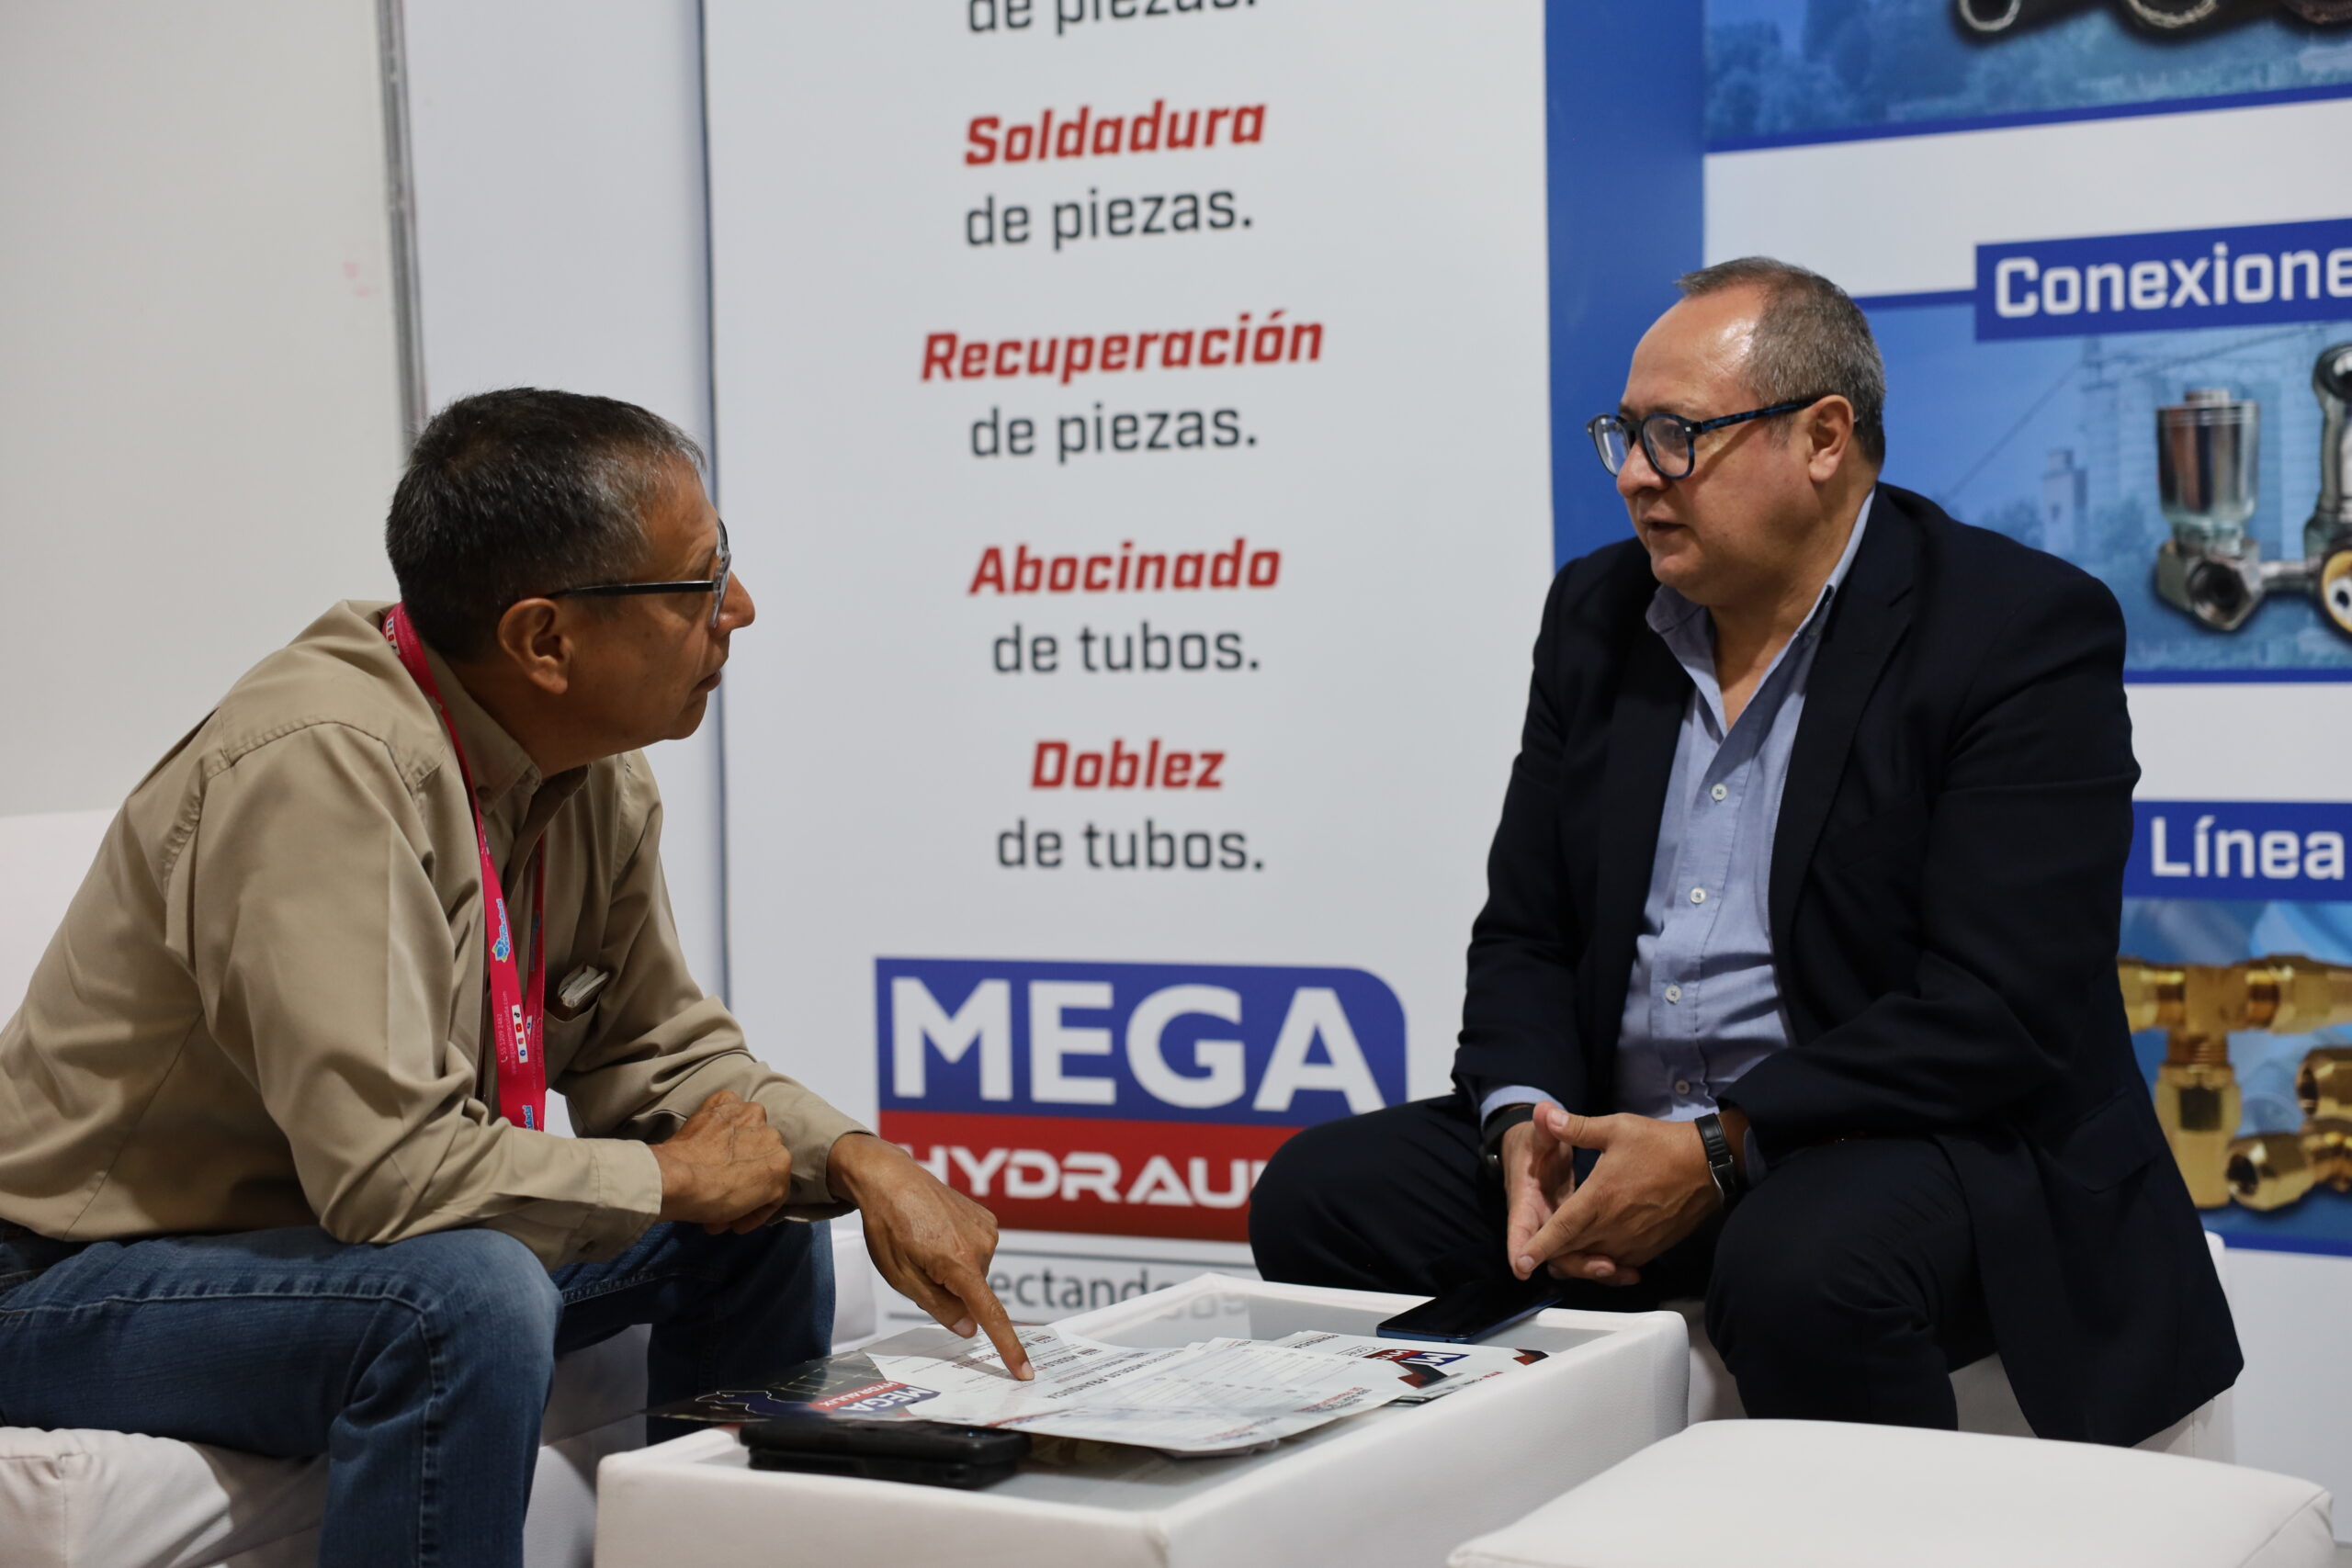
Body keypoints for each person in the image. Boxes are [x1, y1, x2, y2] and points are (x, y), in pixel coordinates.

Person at [0, 389, 1030, 1567]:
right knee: (463, 1297)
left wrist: (854, 1158)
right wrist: (670, 1176)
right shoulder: (319, 768)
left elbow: (660, 1056)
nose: (739, 608)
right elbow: (392, 1177)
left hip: (319, 1255)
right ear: (545, 640)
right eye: (699, 583)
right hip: (66, 1285)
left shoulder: (586, 768)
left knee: (762, 1215)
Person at [1250, 259, 2240, 1444]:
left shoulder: (2014, 629)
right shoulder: (1595, 614)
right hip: (1629, 1130)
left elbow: (1999, 1006)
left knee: (1801, 1263)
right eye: (1624, 433)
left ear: (1822, 438)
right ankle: (1499, 1511)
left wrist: (1722, 1146)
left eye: (1675, 436)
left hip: (1900, 1135)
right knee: (1323, 1197)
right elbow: (1528, 931)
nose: (1633, 473)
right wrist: (1526, 1128)